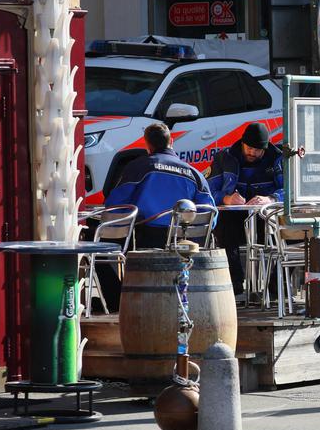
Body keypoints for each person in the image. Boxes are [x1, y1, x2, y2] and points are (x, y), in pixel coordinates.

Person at [100, 123, 215, 308]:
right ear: (172, 141)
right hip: (185, 245)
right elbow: (210, 214)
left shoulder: (138, 167)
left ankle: (119, 304)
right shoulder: (194, 173)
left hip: (146, 239)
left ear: (148, 145)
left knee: (100, 250)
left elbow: (115, 207)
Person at [209, 122, 283, 294]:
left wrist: (271, 198)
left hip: (267, 220)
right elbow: (207, 191)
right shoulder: (224, 158)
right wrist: (226, 198)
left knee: (297, 237)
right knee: (223, 226)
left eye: (258, 150)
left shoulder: (277, 159)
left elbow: (291, 190)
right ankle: (234, 283)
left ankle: (276, 286)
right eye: (249, 148)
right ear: (242, 142)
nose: (253, 153)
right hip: (234, 221)